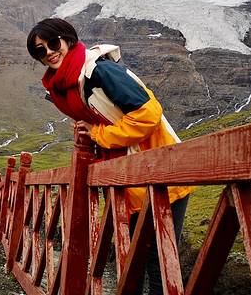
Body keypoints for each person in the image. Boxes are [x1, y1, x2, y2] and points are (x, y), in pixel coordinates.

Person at [26, 17, 192, 295]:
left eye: (53, 43)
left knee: (159, 262)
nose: (49, 52)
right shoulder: (66, 86)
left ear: (68, 39)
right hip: (128, 181)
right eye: (40, 51)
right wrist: (90, 135)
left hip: (161, 172)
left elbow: (148, 115)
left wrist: (99, 135)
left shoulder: (99, 71)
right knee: (135, 259)